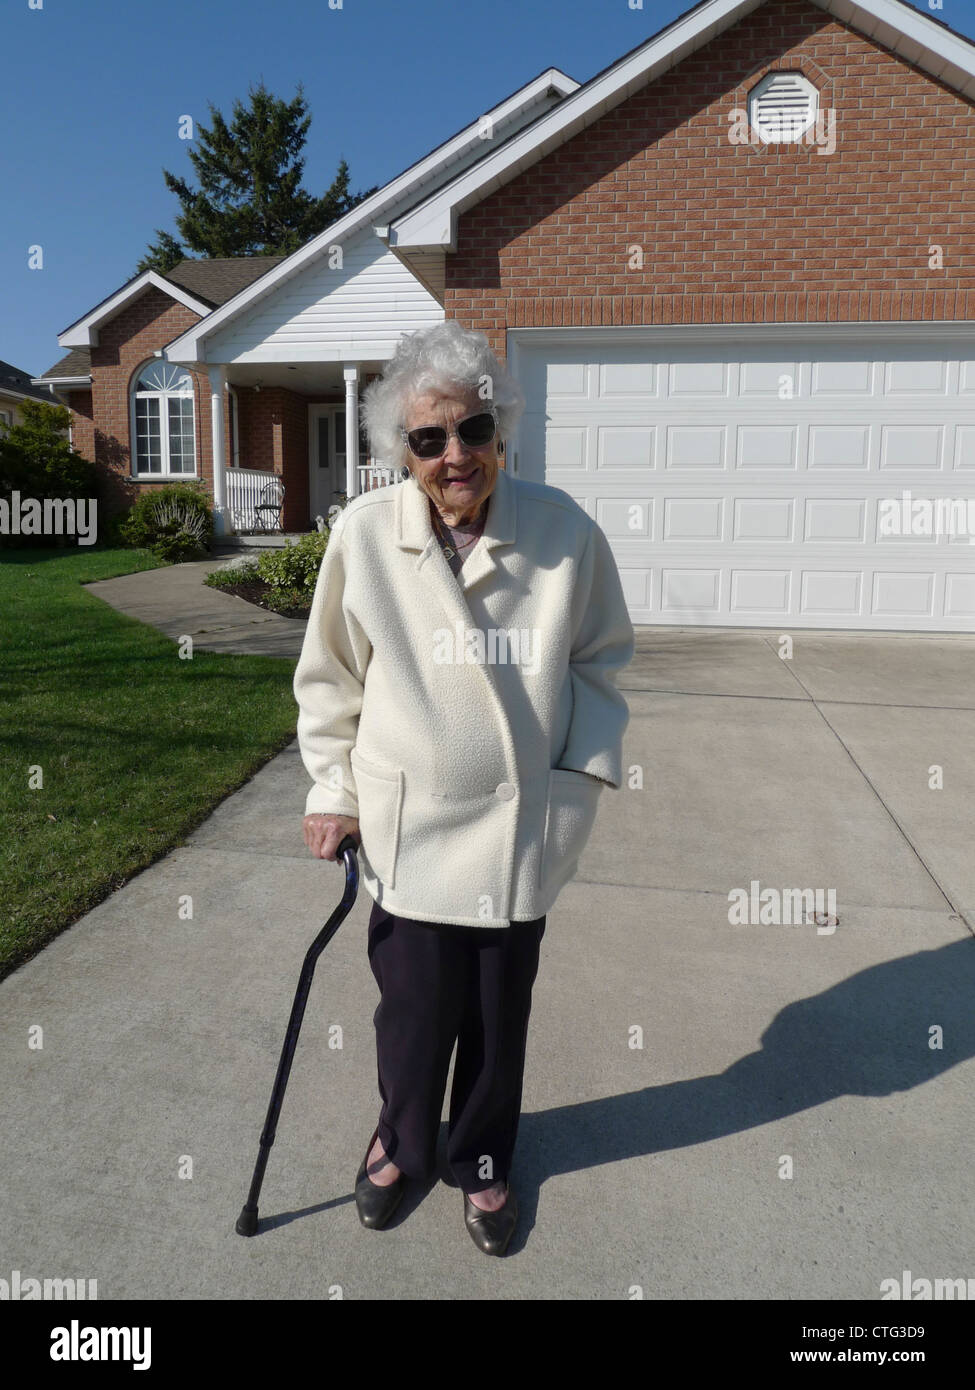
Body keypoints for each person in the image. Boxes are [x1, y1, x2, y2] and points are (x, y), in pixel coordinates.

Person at [293, 319, 634, 1255]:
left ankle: (483, 1164)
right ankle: (400, 1142)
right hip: (408, 829)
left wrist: (578, 779)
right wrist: (333, 791)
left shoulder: (562, 532)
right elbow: (331, 680)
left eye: (473, 431)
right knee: (410, 1010)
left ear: (501, 431)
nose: (454, 455)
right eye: (428, 438)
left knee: (495, 1014)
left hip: (518, 827)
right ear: (398, 449)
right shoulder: (364, 537)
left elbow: (603, 666)